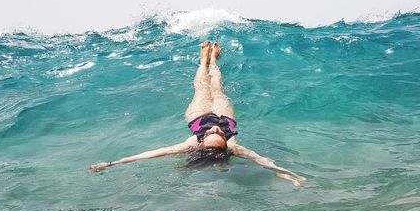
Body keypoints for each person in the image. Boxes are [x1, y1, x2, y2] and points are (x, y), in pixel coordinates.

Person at [89, 41, 305, 186]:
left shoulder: (190, 144)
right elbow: (263, 161)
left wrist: (112, 163)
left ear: (201, 142)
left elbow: (152, 153)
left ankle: (203, 61)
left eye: (213, 132)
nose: (215, 128)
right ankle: (214, 61)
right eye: (219, 133)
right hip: (227, 117)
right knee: (217, 87)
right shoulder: (233, 146)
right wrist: (289, 175)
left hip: (198, 116)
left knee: (202, 87)